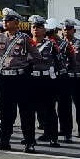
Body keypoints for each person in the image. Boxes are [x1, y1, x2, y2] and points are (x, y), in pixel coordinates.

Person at [0, 8, 37, 153]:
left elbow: (36, 56)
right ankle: (4, 141)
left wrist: (26, 66)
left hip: (21, 79)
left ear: (16, 22)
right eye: (4, 20)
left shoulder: (24, 38)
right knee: (6, 112)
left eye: (8, 20)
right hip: (5, 78)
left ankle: (29, 142)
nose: (5, 22)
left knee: (26, 111)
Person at [29, 16, 60, 148]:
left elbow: (59, 62)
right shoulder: (26, 43)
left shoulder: (51, 45)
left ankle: (53, 137)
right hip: (31, 79)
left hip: (46, 79)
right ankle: (29, 137)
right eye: (34, 27)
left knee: (49, 109)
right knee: (30, 110)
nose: (36, 30)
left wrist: (56, 80)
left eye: (39, 27)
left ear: (44, 30)